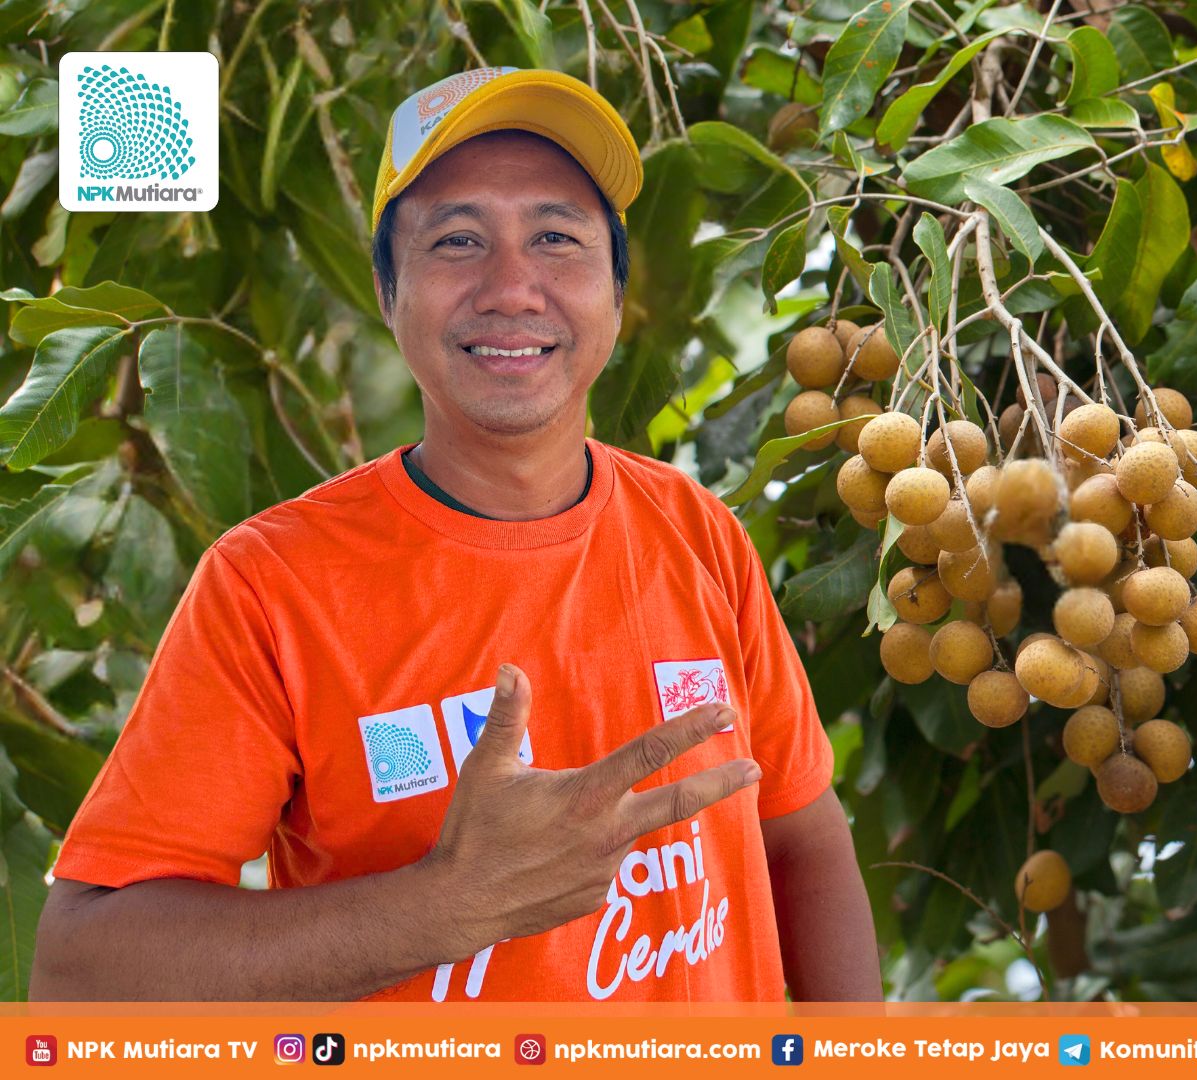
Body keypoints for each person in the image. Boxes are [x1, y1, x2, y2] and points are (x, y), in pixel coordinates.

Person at [31, 67, 881, 1002]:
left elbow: (802, 836)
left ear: (615, 290)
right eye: (458, 240)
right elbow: (83, 970)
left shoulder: (697, 531)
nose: (512, 288)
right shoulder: (271, 585)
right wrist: (445, 906)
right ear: (389, 294)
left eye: (556, 238)